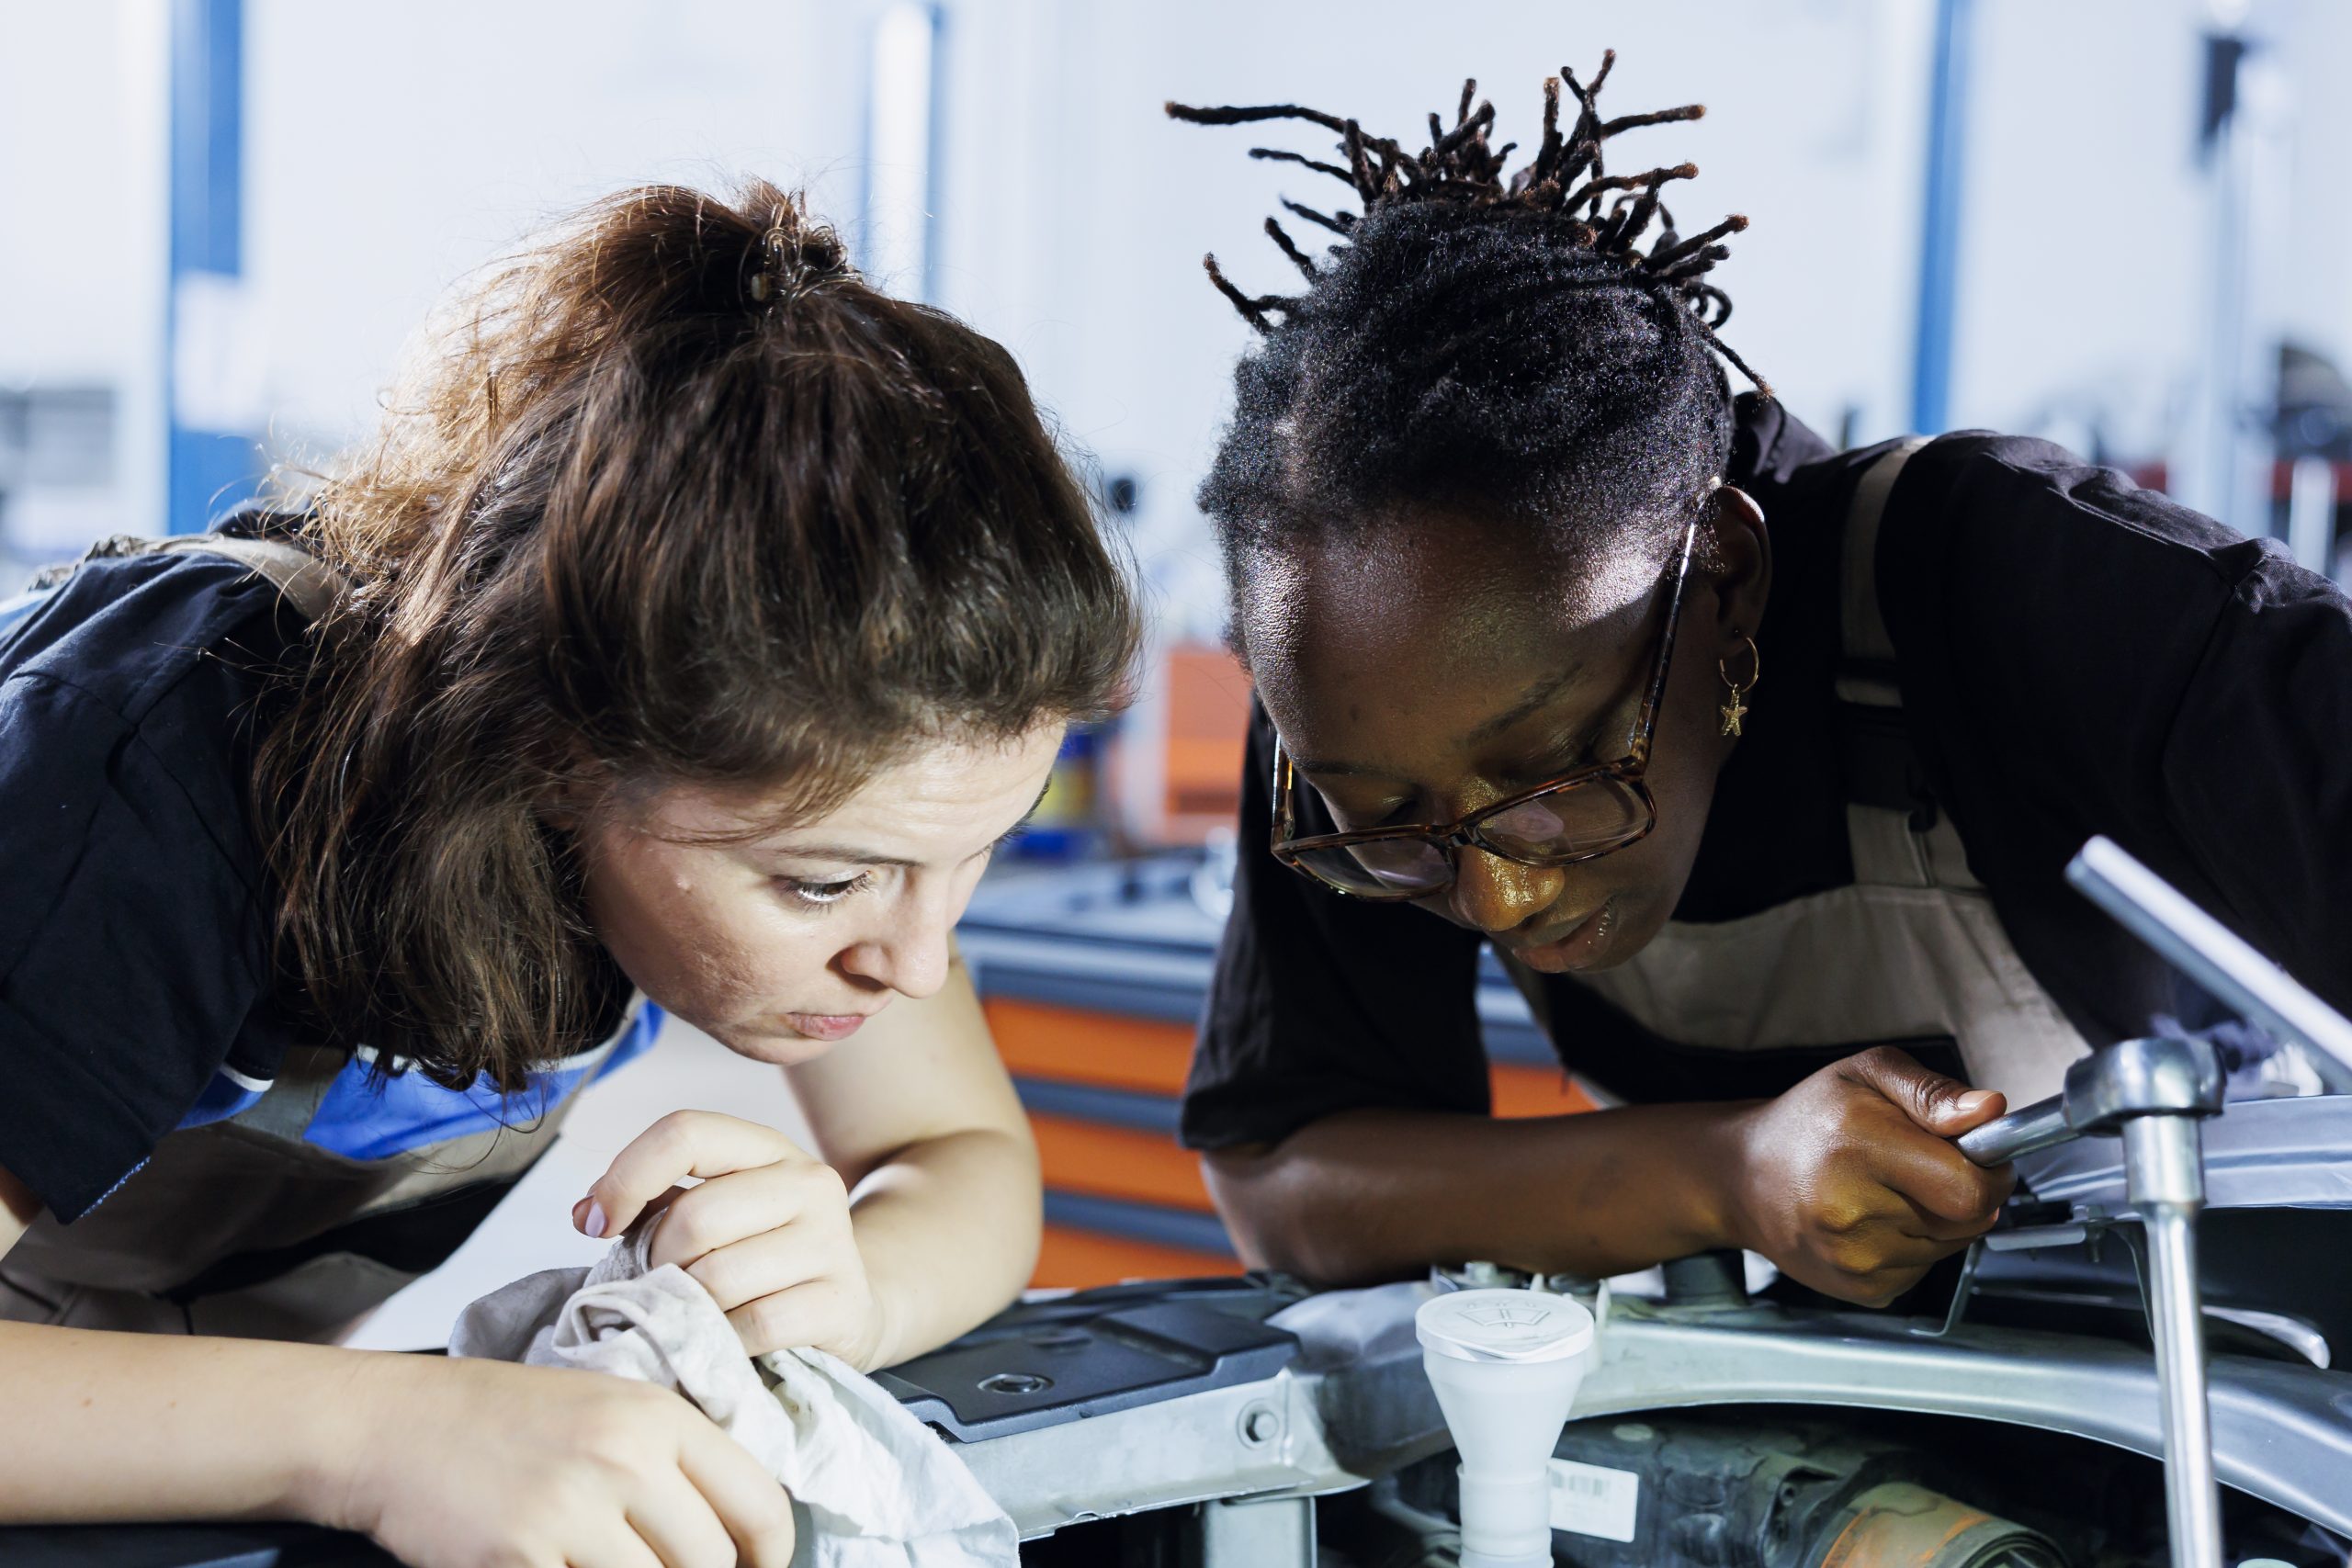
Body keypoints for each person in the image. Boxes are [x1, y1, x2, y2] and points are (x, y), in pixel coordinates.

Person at [0, 183, 1136, 1567]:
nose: (913, 961)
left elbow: (957, 1155)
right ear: (552, 749)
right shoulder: (166, 769)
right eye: (826, 886)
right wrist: (387, 1433)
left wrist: (851, 1283)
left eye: (976, 856)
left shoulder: (861, 824)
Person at [1167, 62, 2352, 1308]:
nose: (1502, 896)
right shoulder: (1353, 704)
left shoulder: (2009, 584)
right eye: (1397, 825)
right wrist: (1721, 1174)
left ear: (1723, 576)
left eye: (1557, 768)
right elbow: (1284, 1176)